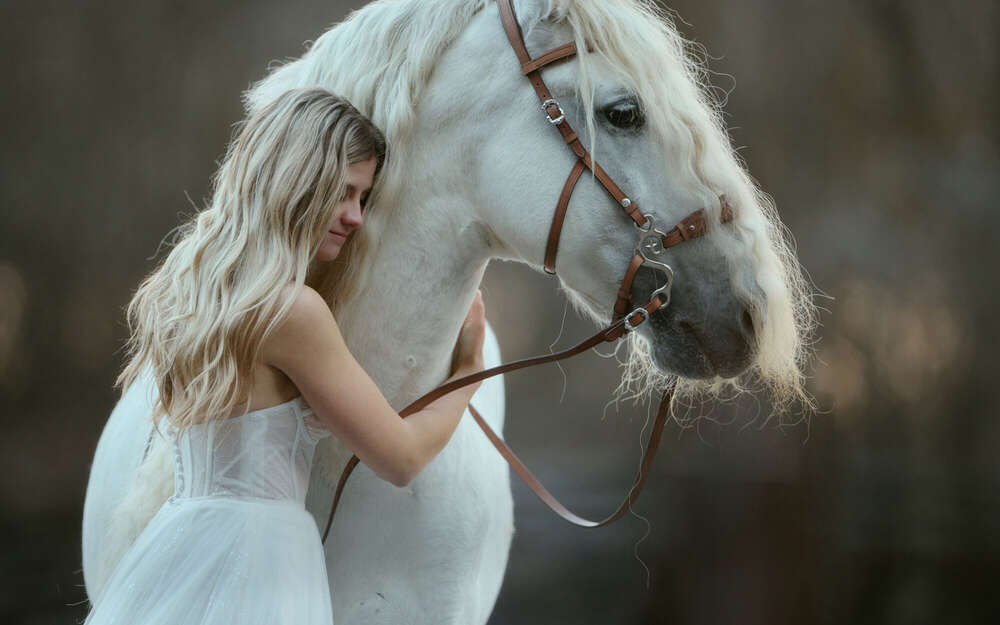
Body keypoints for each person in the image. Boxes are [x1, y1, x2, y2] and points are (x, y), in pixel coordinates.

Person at [84, 88, 485, 625]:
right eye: (343, 193)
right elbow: (402, 458)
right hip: (259, 566)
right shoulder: (293, 313)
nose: (356, 217)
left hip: (179, 546)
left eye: (363, 199)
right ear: (296, 181)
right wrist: (469, 373)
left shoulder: (188, 293)